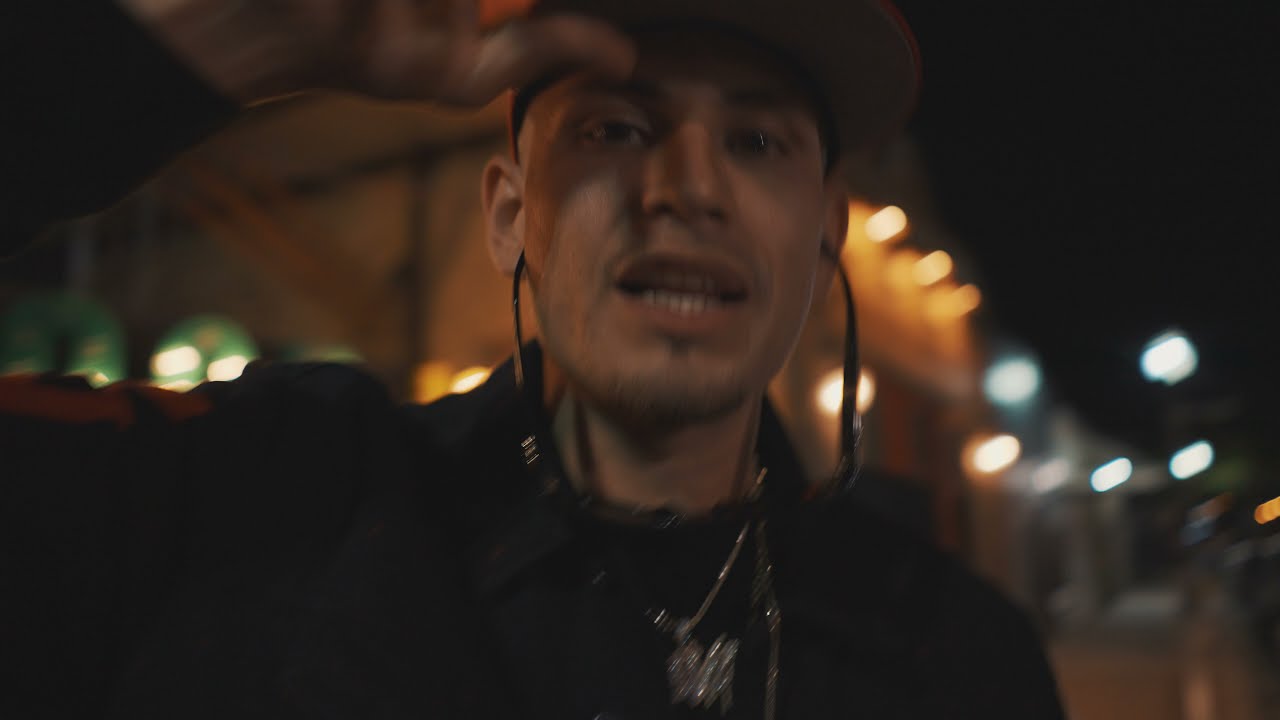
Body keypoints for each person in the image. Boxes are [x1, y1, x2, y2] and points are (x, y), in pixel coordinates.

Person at [1, 1, 1066, 717]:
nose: (688, 189)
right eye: (615, 129)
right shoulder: (251, 500)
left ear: (824, 239)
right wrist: (155, 47)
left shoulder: (952, 653)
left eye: (755, 143)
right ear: (511, 215)